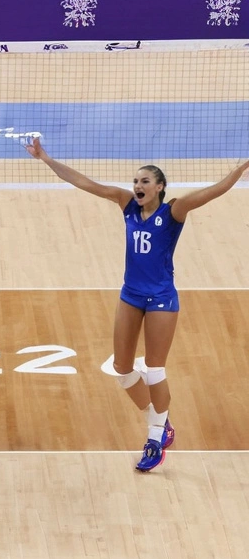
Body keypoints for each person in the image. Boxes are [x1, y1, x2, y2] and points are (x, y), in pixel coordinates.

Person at [26, 138, 249, 470]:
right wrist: (46, 158)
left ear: (159, 187)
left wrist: (241, 169)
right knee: (122, 368)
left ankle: (155, 439)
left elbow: (214, 191)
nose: (137, 185)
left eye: (145, 181)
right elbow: (83, 182)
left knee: (155, 368)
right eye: (136, 180)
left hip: (161, 299)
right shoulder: (126, 203)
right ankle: (161, 420)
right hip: (130, 295)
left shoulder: (173, 211)